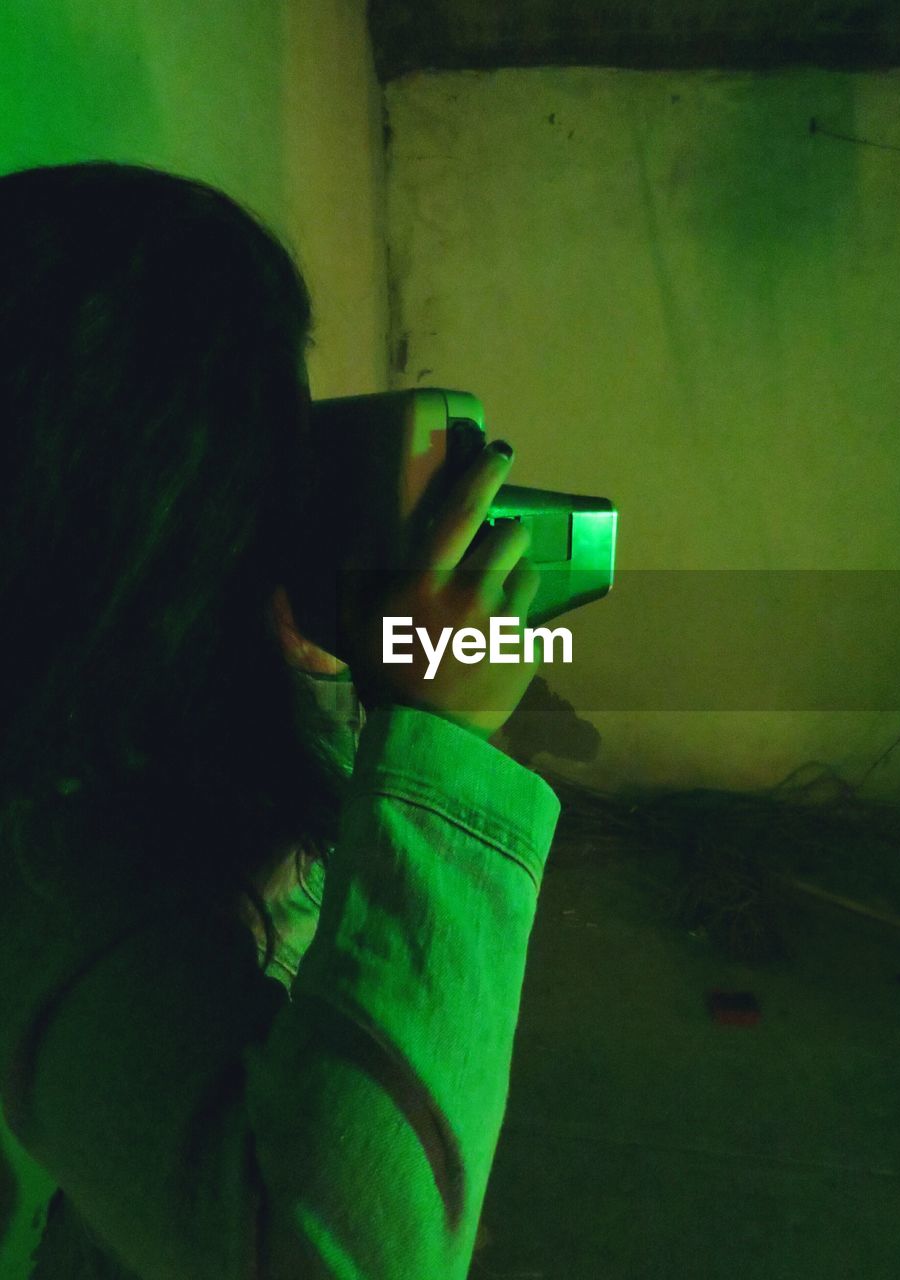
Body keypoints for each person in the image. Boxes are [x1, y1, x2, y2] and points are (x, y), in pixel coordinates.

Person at [0, 161, 561, 1279]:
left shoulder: (130, 702)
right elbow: (351, 1252)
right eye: (259, 404)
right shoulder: (47, 868)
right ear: (148, 471)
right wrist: (440, 745)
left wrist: (326, 679)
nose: (292, 454)